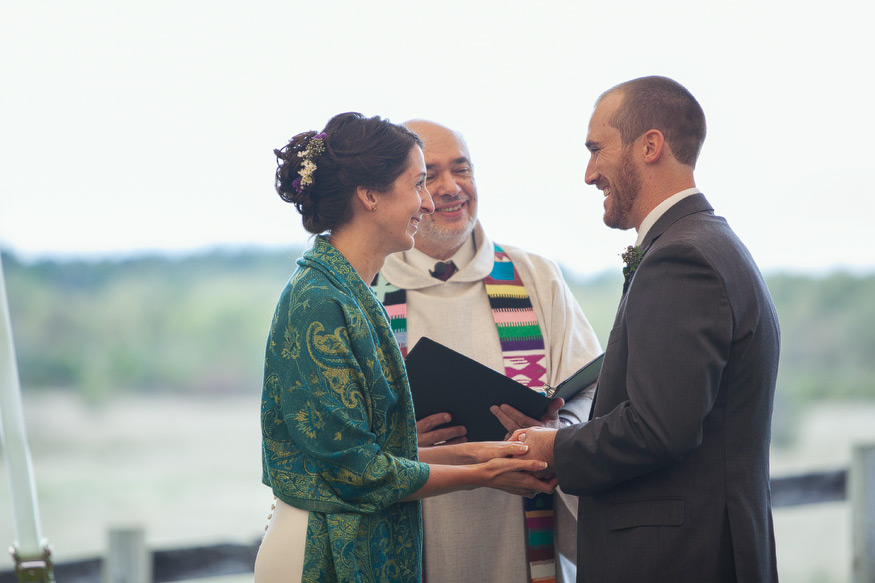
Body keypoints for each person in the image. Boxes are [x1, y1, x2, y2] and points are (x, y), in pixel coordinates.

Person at [254, 112, 557, 583]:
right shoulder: (317, 300)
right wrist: (484, 473)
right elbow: (358, 471)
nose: (427, 201)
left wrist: (484, 453)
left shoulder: (355, 291)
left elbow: (384, 451)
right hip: (318, 551)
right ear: (370, 195)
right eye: (418, 183)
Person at [511, 76, 781, 582]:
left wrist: (554, 448)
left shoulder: (682, 258)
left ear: (650, 145)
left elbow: (658, 429)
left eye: (596, 149)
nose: (589, 174)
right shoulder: (707, 242)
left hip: (675, 559)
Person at [370, 119, 603, 583]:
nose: (452, 187)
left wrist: (556, 431)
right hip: (421, 529)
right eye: (429, 176)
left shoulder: (535, 277)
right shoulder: (369, 291)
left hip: (519, 530)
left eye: (463, 169)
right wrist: (398, 444)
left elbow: (594, 388)